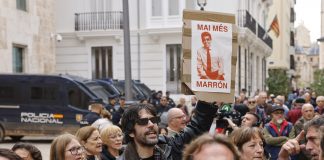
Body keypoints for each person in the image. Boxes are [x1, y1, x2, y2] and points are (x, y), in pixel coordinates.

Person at [118, 100, 217, 160]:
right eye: (143, 121)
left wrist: (207, 98)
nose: (151, 124)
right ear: (131, 132)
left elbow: (196, 129)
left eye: (153, 120)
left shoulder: (169, 148)